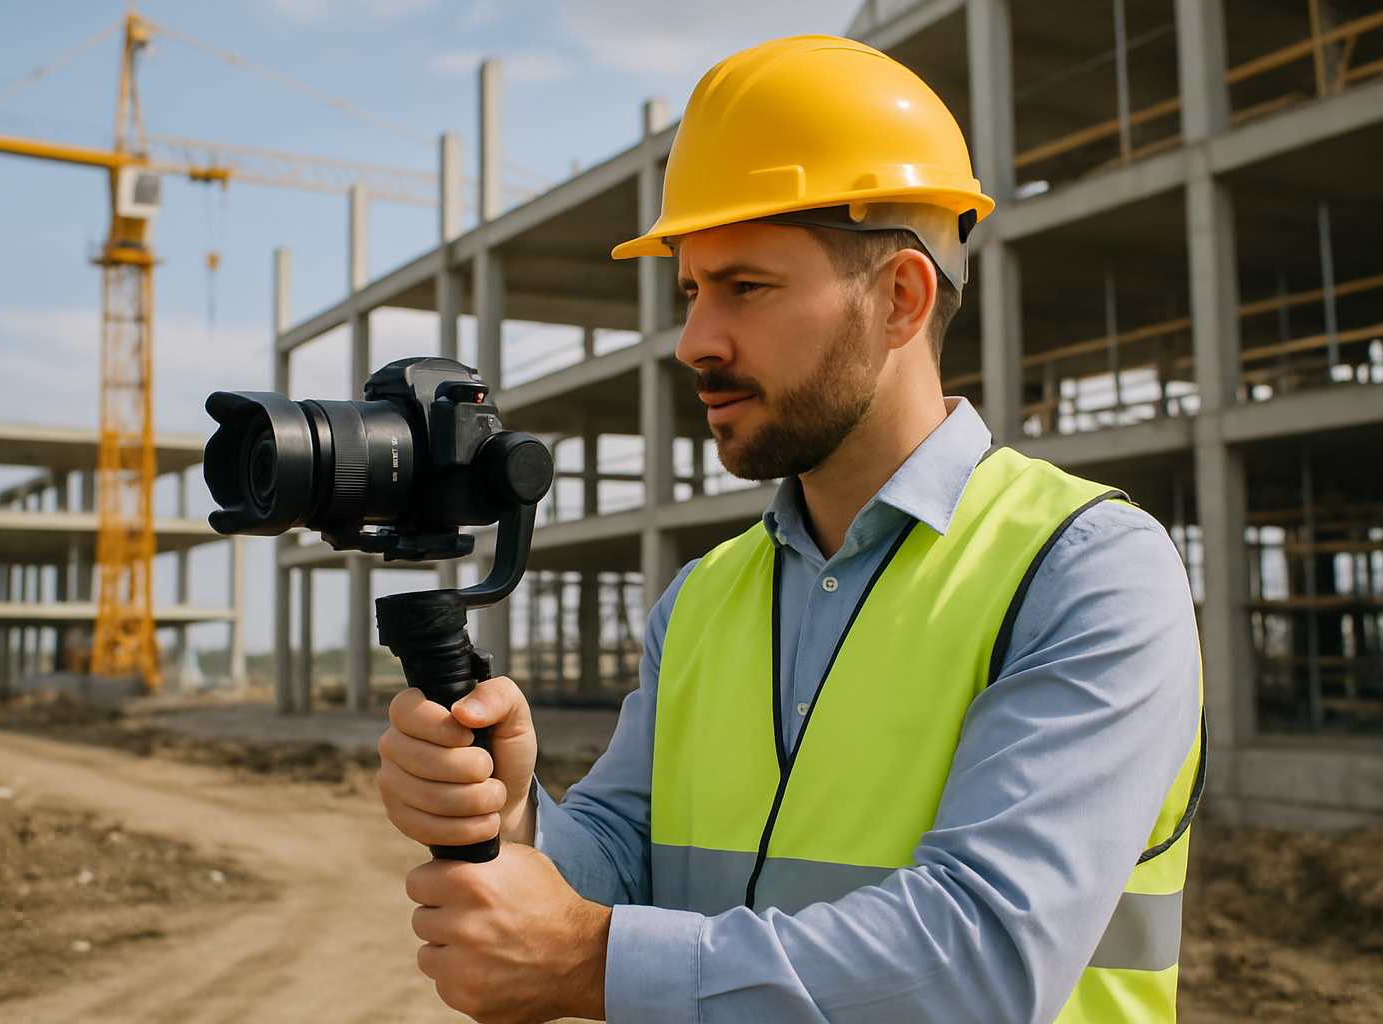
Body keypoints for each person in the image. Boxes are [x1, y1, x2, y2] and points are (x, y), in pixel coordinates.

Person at [376, 35, 1203, 1024]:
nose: (695, 341)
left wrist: (593, 960)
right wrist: (519, 814)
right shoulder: (705, 598)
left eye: (747, 288)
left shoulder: (1083, 569)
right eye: (691, 289)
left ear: (901, 299)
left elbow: (980, 957)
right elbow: (625, 856)